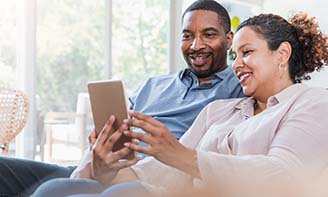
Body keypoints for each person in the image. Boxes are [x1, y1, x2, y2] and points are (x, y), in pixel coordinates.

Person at [33, 9, 328, 197]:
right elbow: (160, 171)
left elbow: (282, 176)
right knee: (56, 189)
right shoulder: (221, 111)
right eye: (234, 55)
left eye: (247, 52)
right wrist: (105, 169)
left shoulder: (313, 102)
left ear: (281, 53)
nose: (236, 64)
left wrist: (182, 156)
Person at [0, 0, 244, 196]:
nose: (195, 46)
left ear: (229, 39)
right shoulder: (153, 85)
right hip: (99, 167)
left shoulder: (240, 88)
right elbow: (112, 131)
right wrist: (89, 164)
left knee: (51, 190)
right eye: (187, 36)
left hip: (144, 179)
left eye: (209, 35)